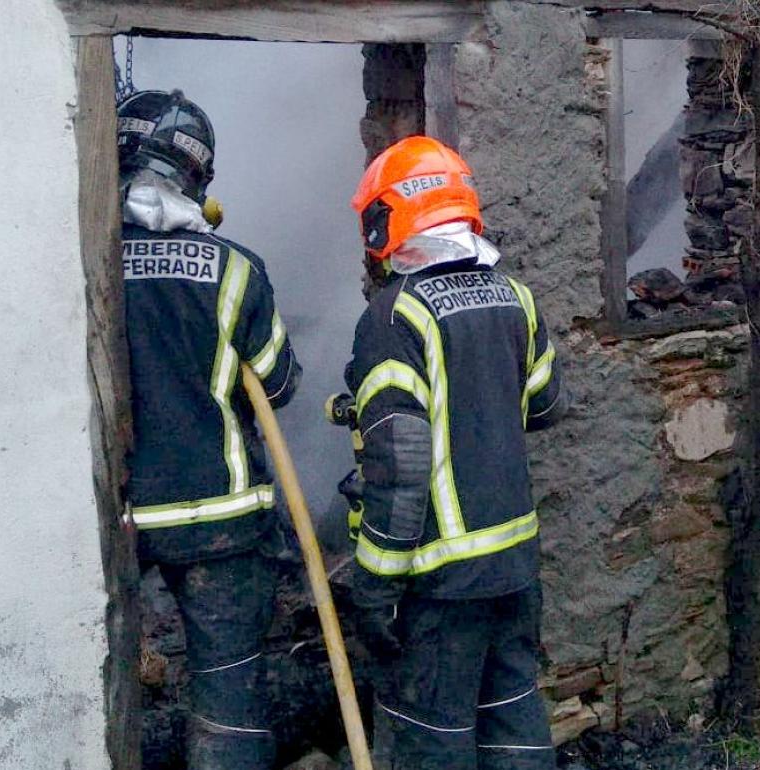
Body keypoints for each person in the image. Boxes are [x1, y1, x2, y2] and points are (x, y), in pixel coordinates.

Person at [342, 135, 567, 769]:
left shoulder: (393, 317)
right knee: (513, 725)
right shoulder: (515, 296)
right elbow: (547, 405)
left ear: (388, 219)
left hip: (439, 583)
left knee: (433, 741)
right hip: (513, 566)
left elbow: (401, 464)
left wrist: (375, 585)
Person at [118, 89, 301, 769]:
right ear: (198, 175)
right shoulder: (235, 268)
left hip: (118, 516)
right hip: (221, 516)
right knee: (229, 704)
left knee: (98, 685)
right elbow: (277, 384)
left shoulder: (81, 258)